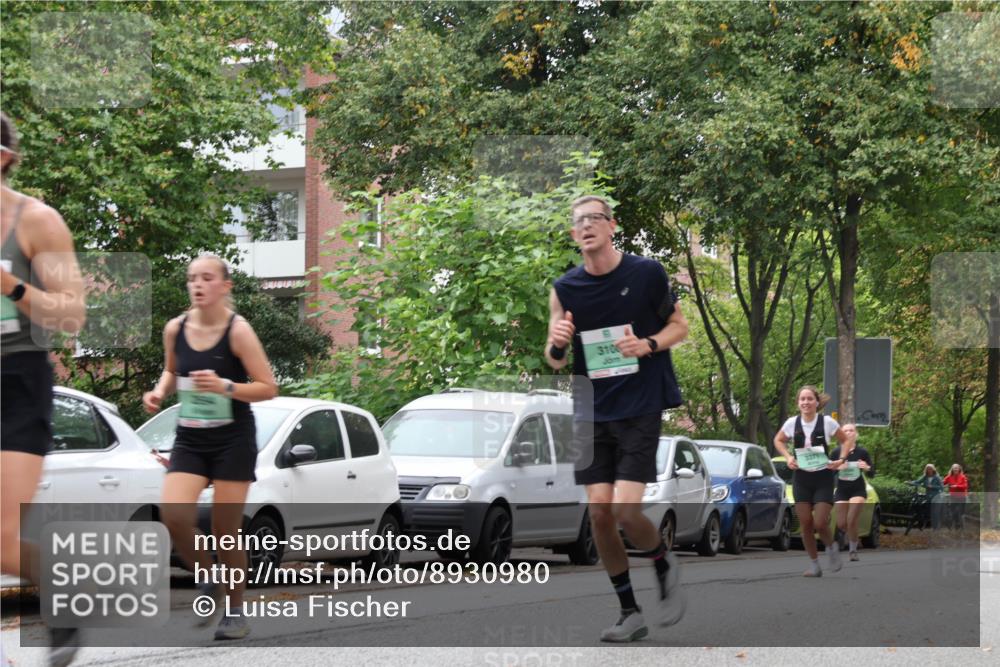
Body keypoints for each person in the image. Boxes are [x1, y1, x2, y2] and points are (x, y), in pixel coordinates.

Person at [545, 195, 689, 642]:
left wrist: (648, 344)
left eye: (594, 219)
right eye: (578, 222)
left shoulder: (645, 273)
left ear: (612, 227)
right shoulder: (564, 288)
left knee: (626, 511)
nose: (586, 227)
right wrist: (558, 341)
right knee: (599, 515)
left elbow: (679, 327)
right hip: (590, 407)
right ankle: (630, 611)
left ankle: (662, 559)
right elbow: (553, 360)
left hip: (640, 403)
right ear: (574, 235)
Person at [143, 254, 277, 640]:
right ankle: (209, 576)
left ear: (225, 286)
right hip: (191, 436)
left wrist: (225, 386)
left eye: (206, 278)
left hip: (233, 438)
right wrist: (159, 391)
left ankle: (235, 613)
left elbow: (268, 387)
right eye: (192, 279)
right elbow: (171, 370)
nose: (197, 284)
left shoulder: (238, 331)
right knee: (174, 514)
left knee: (224, 529)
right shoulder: (175, 329)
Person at [1, 111, 87, 666]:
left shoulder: (36, 221)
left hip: (15, 382)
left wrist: (10, 284)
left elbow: (74, 313)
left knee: (2, 541)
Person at [773, 386, 854, 577]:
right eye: (802, 399)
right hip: (801, 478)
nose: (806, 402)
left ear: (817, 402)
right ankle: (815, 565)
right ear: (798, 403)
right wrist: (787, 457)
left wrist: (841, 459)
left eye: (810, 399)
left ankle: (831, 547)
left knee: (819, 522)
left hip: (823, 477)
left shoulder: (827, 422)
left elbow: (847, 441)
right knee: (806, 523)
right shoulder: (792, 423)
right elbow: (778, 440)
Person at [830, 423, 873, 561]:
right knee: (842, 523)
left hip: (858, 489)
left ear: (856, 434)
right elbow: (828, 473)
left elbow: (872, 473)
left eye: (851, 430)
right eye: (845, 430)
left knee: (851, 519)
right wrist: (837, 468)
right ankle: (855, 537)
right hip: (842, 489)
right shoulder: (836, 452)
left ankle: (853, 551)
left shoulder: (862, 452)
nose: (848, 432)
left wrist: (866, 467)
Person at [908, 464, 945, 530]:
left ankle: (936, 528)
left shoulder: (937, 477)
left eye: (930, 469)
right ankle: (926, 526)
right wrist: (910, 483)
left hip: (936, 497)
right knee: (927, 512)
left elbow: (942, 487)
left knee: (935, 512)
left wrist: (932, 486)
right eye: (928, 469)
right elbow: (918, 482)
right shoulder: (925, 477)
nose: (929, 470)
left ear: (933, 469)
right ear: (926, 470)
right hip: (928, 497)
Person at [943, 463, 969, 530]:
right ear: (952, 469)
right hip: (953, 496)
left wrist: (956, 486)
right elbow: (943, 482)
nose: (955, 469)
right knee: (953, 511)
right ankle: (956, 524)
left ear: (959, 469)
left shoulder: (963, 477)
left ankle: (962, 525)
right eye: (954, 468)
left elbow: (965, 486)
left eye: (956, 468)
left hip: (962, 496)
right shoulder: (949, 477)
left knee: (961, 512)